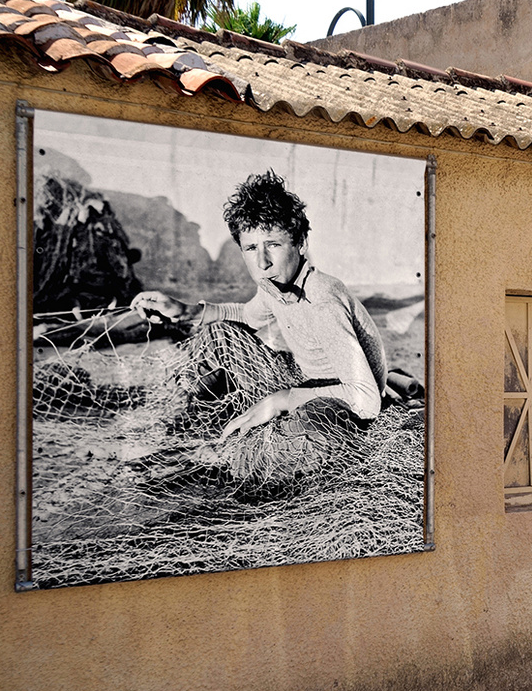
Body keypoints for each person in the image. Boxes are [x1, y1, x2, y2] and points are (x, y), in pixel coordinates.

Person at [131, 170, 386, 481]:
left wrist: (282, 400)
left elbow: (366, 400)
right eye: (251, 248)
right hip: (306, 384)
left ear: (301, 244)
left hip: (342, 407)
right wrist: (184, 311)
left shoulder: (321, 300)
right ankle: (193, 425)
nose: (262, 262)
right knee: (219, 333)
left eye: (273, 245)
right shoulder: (273, 286)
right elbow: (247, 316)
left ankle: (223, 460)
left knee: (296, 440)